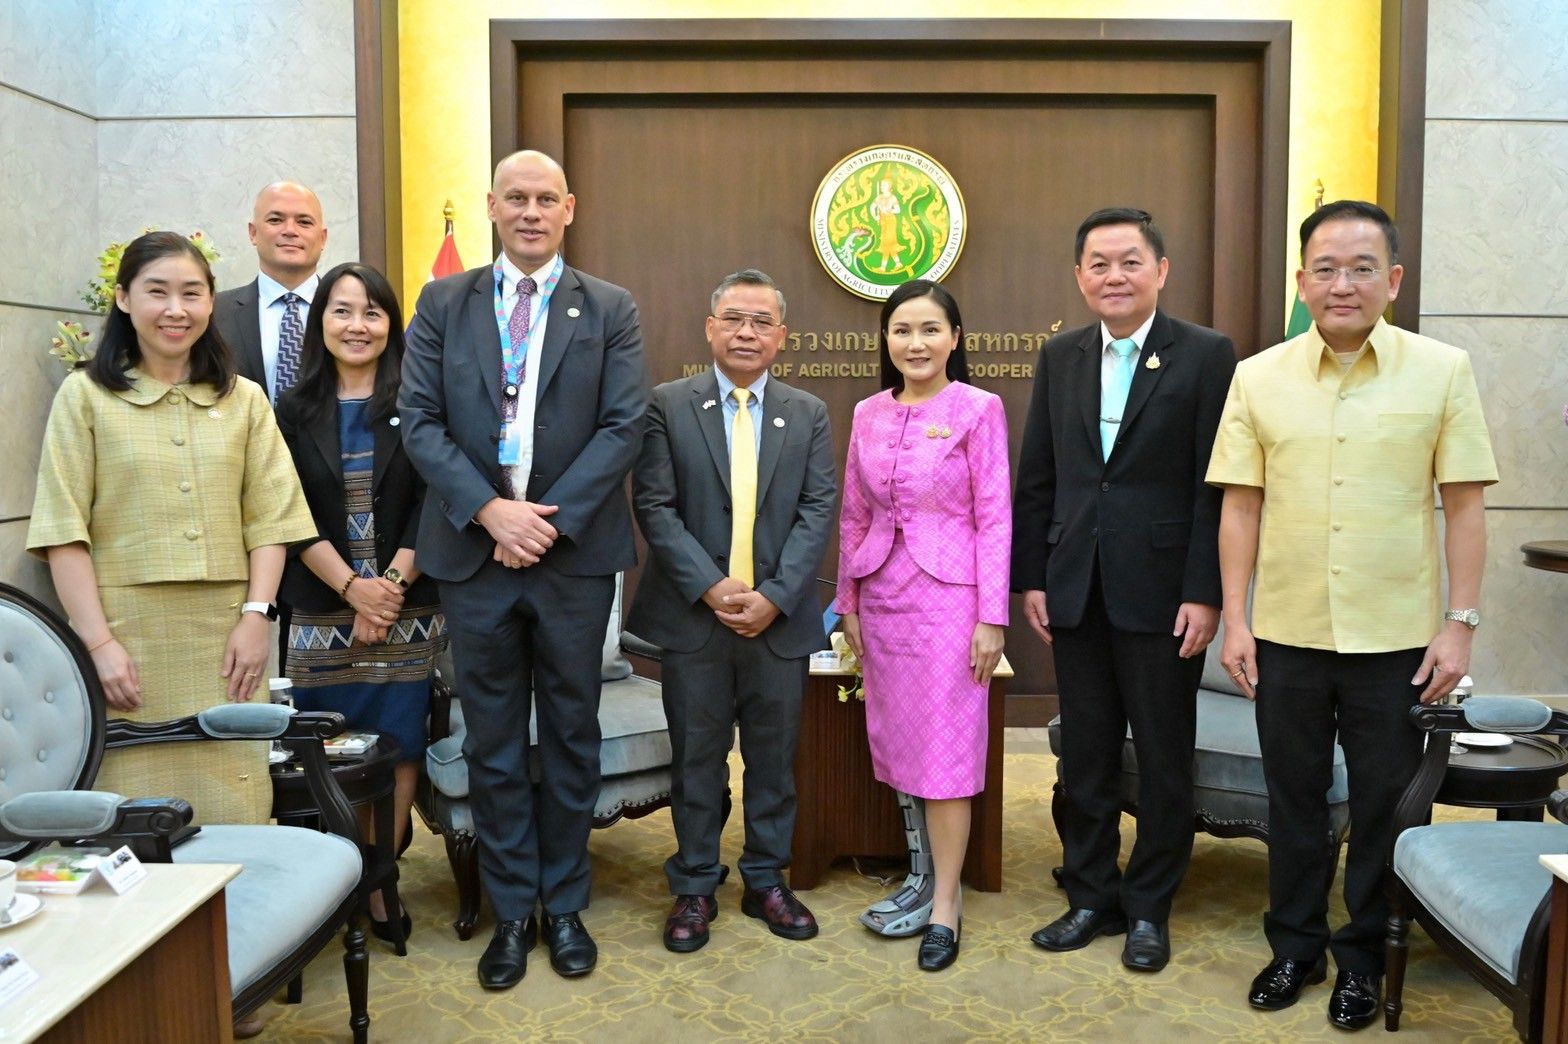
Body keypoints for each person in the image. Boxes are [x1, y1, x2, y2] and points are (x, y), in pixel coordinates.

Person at [1207, 200, 1497, 1030]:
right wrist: (1237, 618)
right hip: (1288, 635)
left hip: (1398, 640)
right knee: (1292, 800)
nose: (1343, 284)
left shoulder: (1442, 370)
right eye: (1326, 268)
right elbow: (1240, 510)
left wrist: (1460, 622)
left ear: (1393, 281)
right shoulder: (1258, 377)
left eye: (1362, 267)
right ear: (1301, 281)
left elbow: (1465, 506)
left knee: (1383, 806)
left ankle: (1364, 958)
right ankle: (1294, 946)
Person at [399, 149, 646, 989]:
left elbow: (623, 427)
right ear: (493, 207)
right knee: (495, 743)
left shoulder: (609, 307)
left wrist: (545, 523)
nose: (531, 211)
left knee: (573, 736)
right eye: (517, 198)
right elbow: (421, 421)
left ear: (569, 208)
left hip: (571, 558)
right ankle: (512, 913)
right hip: (474, 556)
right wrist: (490, 511)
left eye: (546, 198)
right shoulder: (443, 301)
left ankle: (564, 904)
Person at [1012, 207, 1236, 973]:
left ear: (1161, 271)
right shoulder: (1061, 356)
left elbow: (1217, 486)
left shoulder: (1206, 355)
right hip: (1075, 587)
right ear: (1080, 276)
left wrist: (1205, 591)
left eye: (1130, 262)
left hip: (1164, 591)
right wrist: (1032, 577)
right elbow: (1038, 475)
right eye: (1099, 264)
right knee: (1087, 752)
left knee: (1165, 755)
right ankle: (1090, 897)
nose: (1114, 275)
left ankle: (1149, 907)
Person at [27, 230, 315, 826]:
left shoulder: (245, 401)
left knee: (236, 801)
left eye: (192, 293)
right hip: (127, 641)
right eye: (157, 292)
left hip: (228, 639)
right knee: (135, 816)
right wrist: (98, 645)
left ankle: (236, 921)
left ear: (211, 302)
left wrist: (256, 618)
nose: (175, 310)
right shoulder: (85, 397)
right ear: (125, 298)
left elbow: (271, 522)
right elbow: (63, 532)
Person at [627, 269, 836, 954]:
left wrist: (774, 596)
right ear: (710, 329)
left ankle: (766, 879)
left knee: (774, 762)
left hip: (779, 623)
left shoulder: (807, 413)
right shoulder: (668, 404)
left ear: (782, 337)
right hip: (695, 620)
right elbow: (654, 505)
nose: (747, 332)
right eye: (734, 319)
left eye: (761, 321)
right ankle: (693, 883)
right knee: (696, 759)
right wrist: (712, 587)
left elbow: (816, 510)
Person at [837, 279, 1011, 971]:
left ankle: (945, 903)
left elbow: (996, 516)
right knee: (902, 744)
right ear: (886, 340)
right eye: (902, 329)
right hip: (882, 597)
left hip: (951, 603)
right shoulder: (867, 413)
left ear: (955, 339)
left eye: (930, 329)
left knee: (947, 755)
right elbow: (854, 515)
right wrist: (847, 602)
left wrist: (991, 617)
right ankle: (917, 876)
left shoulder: (979, 409)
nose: (916, 342)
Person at [274, 262, 446, 943]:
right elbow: (281, 512)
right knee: (330, 750)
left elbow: (437, 502)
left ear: (390, 326)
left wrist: (390, 591)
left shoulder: (421, 404)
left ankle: (383, 882)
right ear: (322, 322)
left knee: (399, 750)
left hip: (407, 611)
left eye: (373, 312)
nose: (358, 325)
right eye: (343, 311)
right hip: (321, 611)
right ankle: (338, 885)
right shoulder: (289, 410)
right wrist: (353, 591)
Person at [214, 181, 329, 403]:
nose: (290, 231)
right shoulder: (214, 313)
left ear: (322, 238)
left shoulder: (350, 314)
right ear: (253, 232)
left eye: (304, 222)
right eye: (275, 220)